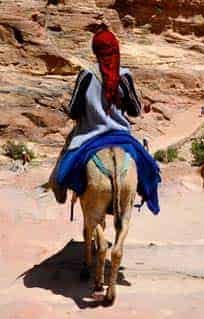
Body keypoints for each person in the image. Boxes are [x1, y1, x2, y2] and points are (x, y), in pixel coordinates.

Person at [48, 25, 146, 205]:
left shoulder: (86, 75)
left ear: (95, 51)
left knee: (64, 165)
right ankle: (145, 191)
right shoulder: (124, 76)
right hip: (121, 135)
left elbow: (75, 111)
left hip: (88, 135)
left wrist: (68, 108)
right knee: (147, 164)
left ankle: (59, 189)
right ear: (116, 49)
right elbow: (135, 110)